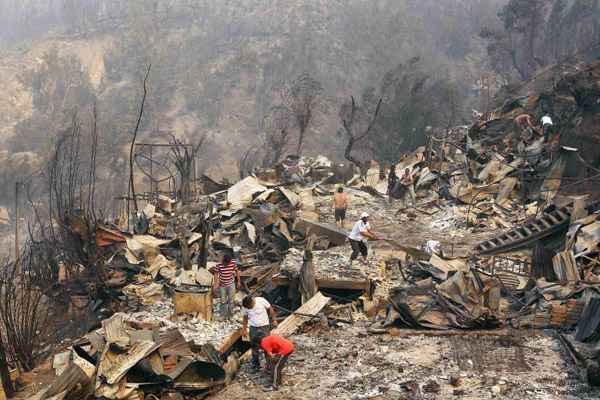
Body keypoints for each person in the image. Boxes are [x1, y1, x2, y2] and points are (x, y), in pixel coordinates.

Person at [242, 295, 278, 371]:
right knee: (254, 347)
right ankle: (255, 365)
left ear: (252, 302)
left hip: (264, 327)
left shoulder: (261, 300)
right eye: (247, 308)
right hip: (253, 328)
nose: (248, 308)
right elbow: (245, 317)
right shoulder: (245, 306)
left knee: (267, 346)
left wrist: (274, 319)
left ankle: (269, 365)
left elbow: (270, 309)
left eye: (249, 307)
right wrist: (244, 329)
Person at [213, 254, 241, 320]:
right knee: (223, 301)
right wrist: (216, 283)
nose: (225, 265)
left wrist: (239, 281)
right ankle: (223, 315)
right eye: (224, 263)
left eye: (227, 264)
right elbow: (216, 273)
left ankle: (230, 315)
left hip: (231, 284)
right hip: (222, 285)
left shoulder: (233, 263)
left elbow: (237, 271)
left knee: (231, 300)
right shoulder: (219, 264)